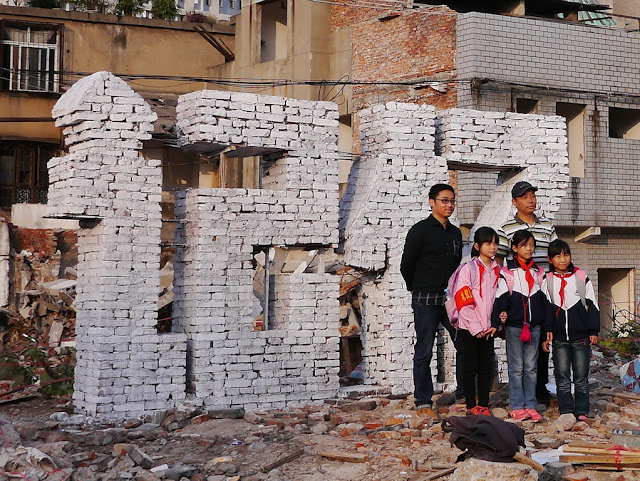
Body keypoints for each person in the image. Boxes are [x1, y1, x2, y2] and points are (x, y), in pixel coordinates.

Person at [401, 183, 463, 418]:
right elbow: (407, 264)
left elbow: (457, 265)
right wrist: (415, 288)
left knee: (463, 344)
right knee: (424, 349)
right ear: (432, 202)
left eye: (451, 201)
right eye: (444, 201)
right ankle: (423, 401)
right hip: (425, 297)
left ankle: (465, 393)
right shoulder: (420, 230)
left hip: (450, 298)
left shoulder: (456, 233)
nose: (449, 205)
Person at [496, 181, 557, 406]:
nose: (530, 200)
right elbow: (500, 260)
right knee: (520, 351)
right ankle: (519, 398)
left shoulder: (547, 226)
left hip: (543, 289)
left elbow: (556, 252)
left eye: (532, 195)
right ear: (514, 202)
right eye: (524, 197)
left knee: (542, 341)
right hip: (519, 292)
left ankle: (539, 390)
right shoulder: (506, 229)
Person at [492, 230, 547, 422]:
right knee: (516, 368)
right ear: (515, 248)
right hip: (515, 327)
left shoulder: (539, 272)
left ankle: (530, 405)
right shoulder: (507, 273)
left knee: (531, 367)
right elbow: (501, 298)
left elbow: (545, 300)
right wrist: (502, 316)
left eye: (531, 245)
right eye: (524, 245)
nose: (529, 249)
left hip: (534, 327)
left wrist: (545, 324)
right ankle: (516, 405)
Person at [542, 239, 600, 418]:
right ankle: (566, 409)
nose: (563, 259)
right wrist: (547, 332)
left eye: (566, 255)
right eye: (558, 256)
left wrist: (593, 331)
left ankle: (582, 410)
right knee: (562, 376)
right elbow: (546, 309)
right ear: (550, 259)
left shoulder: (581, 277)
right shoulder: (547, 280)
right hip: (559, 338)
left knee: (581, 376)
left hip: (581, 337)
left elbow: (593, 305)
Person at [451, 227, 500, 416]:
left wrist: (496, 322)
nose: (493, 247)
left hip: (488, 329)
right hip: (469, 327)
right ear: (478, 246)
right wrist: (475, 327)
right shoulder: (468, 269)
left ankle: (484, 405)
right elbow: (463, 300)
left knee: (486, 367)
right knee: (470, 367)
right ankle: (471, 405)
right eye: (488, 243)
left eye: (495, 243)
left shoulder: (498, 270)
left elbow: (500, 297)